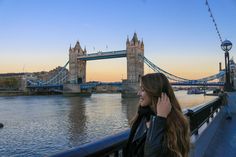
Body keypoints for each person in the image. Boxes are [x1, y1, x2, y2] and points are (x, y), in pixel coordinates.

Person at [124, 73, 190, 157]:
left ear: (154, 92)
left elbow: (151, 153)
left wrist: (160, 119)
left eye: (143, 90)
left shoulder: (175, 124)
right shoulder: (142, 116)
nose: (138, 93)